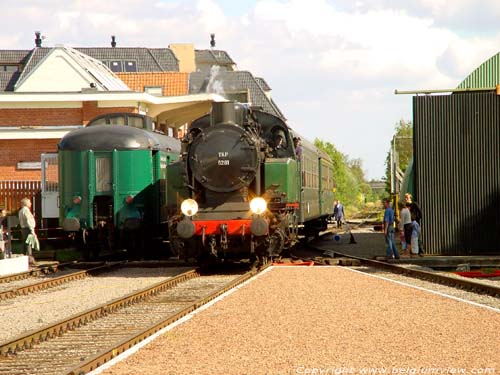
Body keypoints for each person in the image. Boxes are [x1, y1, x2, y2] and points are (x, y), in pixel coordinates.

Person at [18, 198, 37, 265]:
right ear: (26, 203)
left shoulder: (21, 211)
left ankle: (23, 258)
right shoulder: (26, 210)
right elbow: (29, 221)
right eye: (29, 202)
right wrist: (32, 231)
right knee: (28, 244)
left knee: (24, 243)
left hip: (23, 228)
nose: (30, 203)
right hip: (27, 229)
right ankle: (30, 259)